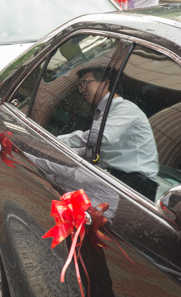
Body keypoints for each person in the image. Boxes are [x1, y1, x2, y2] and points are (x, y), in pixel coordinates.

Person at [58, 66, 159, 201]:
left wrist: (57, 141)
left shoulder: (125, 108)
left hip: (134, 187)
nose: (81, 89)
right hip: (116, 180)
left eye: (85, 83)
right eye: (80, 85)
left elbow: (101, 137)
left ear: (106, 83)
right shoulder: (104, 112)